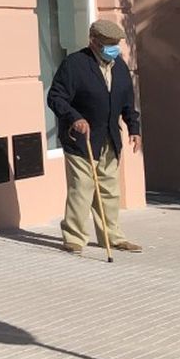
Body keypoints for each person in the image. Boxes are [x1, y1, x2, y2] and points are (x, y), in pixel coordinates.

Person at [47, 18, 143, 255]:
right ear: (94, 42)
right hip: (81, 139)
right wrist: (74, 117)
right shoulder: (75, 64)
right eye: (109, 44)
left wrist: (134, 128)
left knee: (110, 190)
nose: (114, 48)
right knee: (82, 188)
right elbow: (56, 97)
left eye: (116, 43)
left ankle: (112, 237)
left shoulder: (119, 67)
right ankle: (74, 238)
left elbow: (127, 101)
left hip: (109, 138)